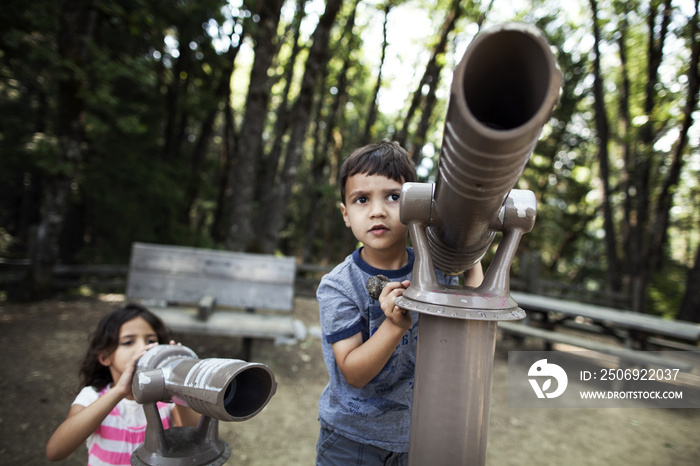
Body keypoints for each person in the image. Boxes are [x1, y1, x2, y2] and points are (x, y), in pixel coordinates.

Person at [316, 141, 483, 465]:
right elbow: (353, 372)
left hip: (419, 434)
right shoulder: (338, 286)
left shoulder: (435, 271)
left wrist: (470, 248)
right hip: (351, 440)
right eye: (362, 199)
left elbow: (473, 313)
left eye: (393, 197)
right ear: (346, 214)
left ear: (416, 206)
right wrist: (393, 325)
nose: (377, 210)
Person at [46, 303, 201, 464]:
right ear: (105, 357)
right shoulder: (92, 396)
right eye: (128, 342)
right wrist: (119, 390)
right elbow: (55, 451)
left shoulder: (166, 399)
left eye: (151, 340)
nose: (144, 347)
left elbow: (194, 438)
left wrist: (178, 383)